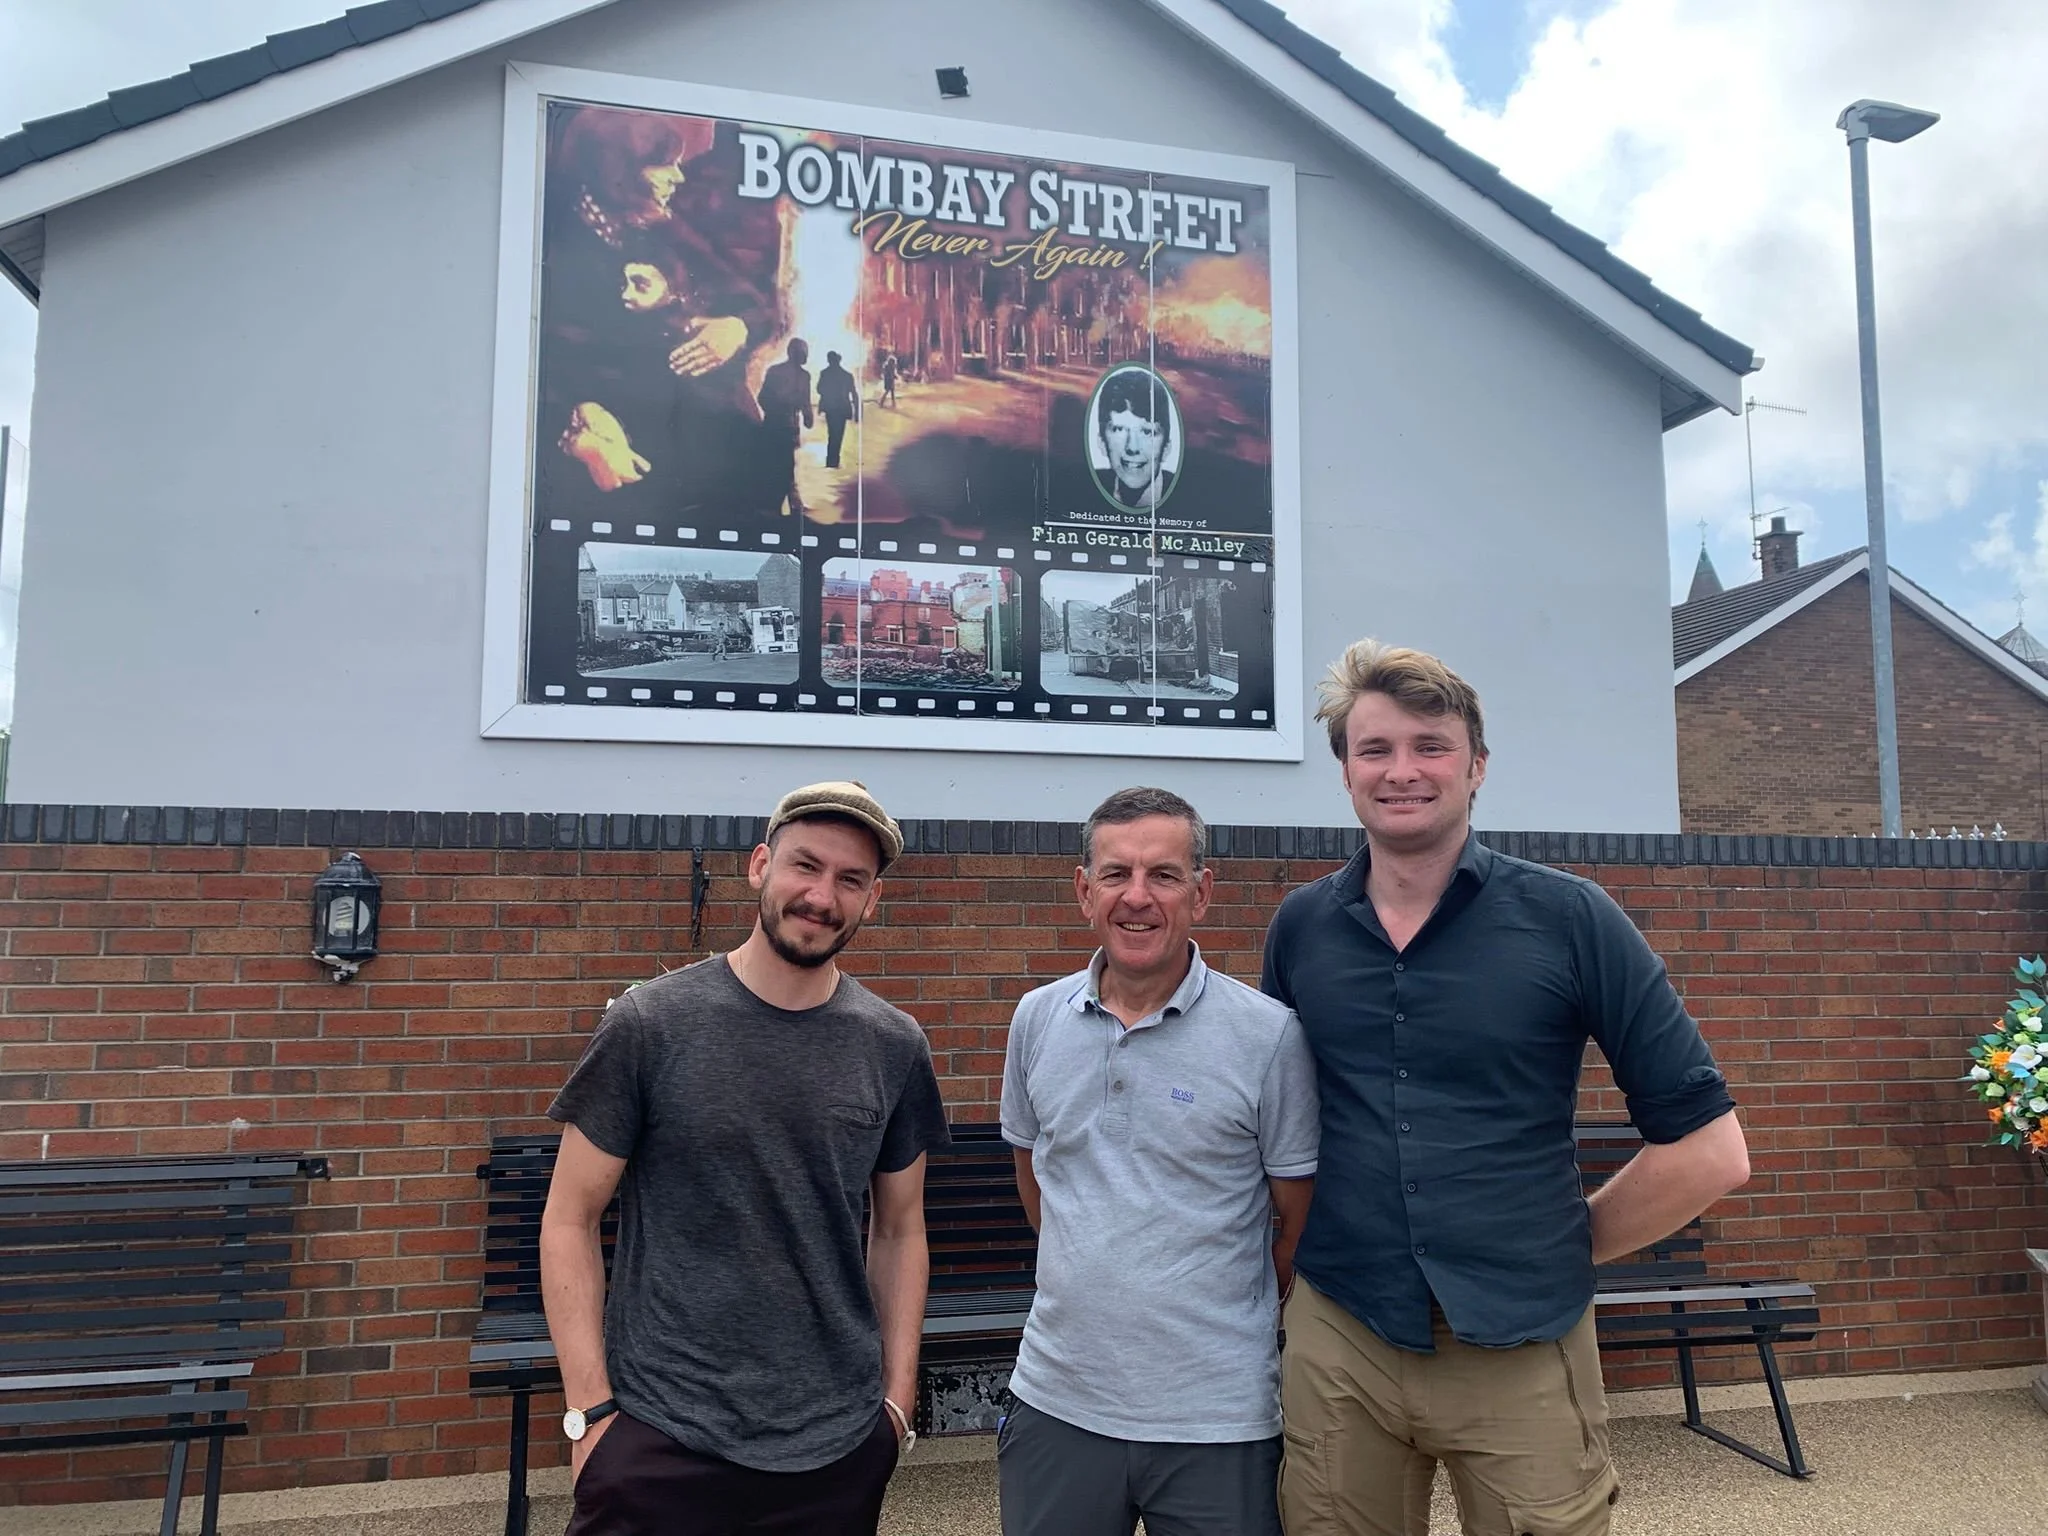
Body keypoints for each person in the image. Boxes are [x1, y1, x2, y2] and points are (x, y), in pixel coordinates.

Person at [1261, 641, 1751, 1536]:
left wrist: (1562, 1244)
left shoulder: (1571, 918)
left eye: (1430, 746)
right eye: (1374, 749)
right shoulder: (1301, 928)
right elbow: (1278, 1123)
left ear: (1477, 766)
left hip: (1522, 1344)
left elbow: (1711, 1150)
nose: (1402, 770)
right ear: (1343, 771)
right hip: (1343, 1339)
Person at [541, 781, 950, 1536]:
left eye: (850, 880)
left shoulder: (893, 1046)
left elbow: (899, 1231)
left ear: (872, 901)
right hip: (660, 1435)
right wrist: (591, 1416)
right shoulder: (650, 1025)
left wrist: (894, 1408)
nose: (822, 896)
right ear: (760, 865)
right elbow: (570, 1218)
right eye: (806, 866)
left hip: (834, 1449)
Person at [998, 787, 1320, 1536]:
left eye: (1164, 876)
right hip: (1059, 1403)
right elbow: (1034, 1174)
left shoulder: (1269, 1038)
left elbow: (1294, 1219)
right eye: (1115, 875)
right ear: (1084, 891)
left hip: (1217, 1419)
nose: (1136, 898)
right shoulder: (1035, 1020)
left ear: (1201, 893)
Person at [1092, 369, 1176, 510]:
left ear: (1166, 448)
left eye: (1147, 431)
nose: (1132, 447)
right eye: (1119, 429)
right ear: (1101, 442)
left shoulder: (1188, 496)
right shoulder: (1084, 489)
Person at [757, 338, 816, 517]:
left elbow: (763, 398)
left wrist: (805, 415)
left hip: (780, 426)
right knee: (784, 465)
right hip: (783, 426)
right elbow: (764, 398)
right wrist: (805, 416)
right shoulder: (796, 375)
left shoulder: (779, 372)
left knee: (783, 465)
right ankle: (782, 504)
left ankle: (786, 503)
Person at [817, 350, 860, 470]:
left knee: (832, 434)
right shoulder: (847, 375)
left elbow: (819, 389)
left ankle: (831, 460)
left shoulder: (825, 373)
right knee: (839, 434)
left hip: (831, 408)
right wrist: (857, 412)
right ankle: (834, 460)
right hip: (842, 408)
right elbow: (854, 394)